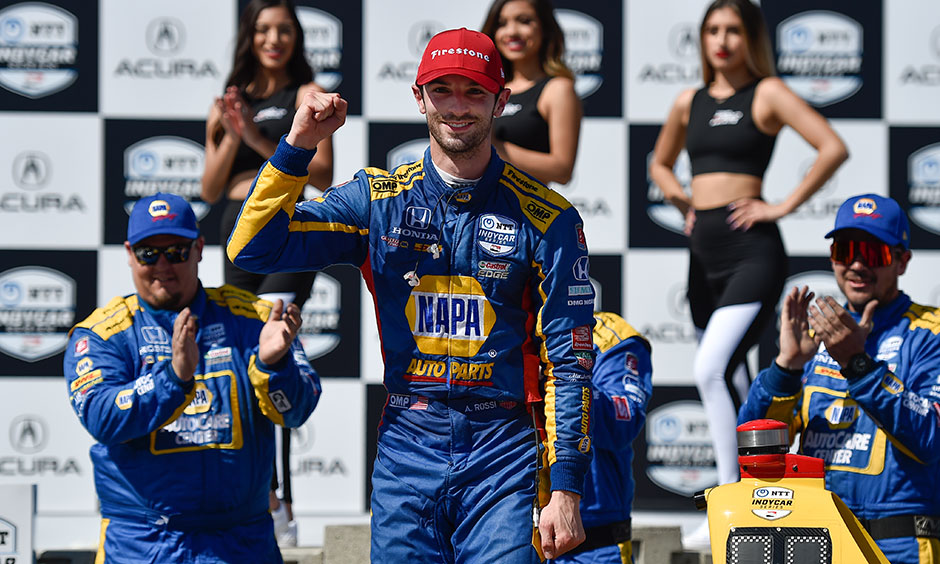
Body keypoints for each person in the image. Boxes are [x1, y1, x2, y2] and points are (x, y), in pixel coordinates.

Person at [227, 27, 596, 563]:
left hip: (503, 448)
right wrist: (298, 145)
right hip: (408, 442)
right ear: (419, 98)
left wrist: (565, 488)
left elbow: (571, 358)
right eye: (442, 90)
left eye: (474, 92)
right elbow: (252, 249)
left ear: (502, 100)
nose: (458, 107)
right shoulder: (377, 201)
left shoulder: (549, 219)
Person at [647, 0, 848, 545]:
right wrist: (678, 197)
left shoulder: (768, 92)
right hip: (702, 259)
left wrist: (780, 205)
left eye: (733, 30)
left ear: (750, 38)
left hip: (752, 253)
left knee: (710, 369)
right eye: (712, 29)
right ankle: (753, 502)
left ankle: (726, 501)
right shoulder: (687, 100)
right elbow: (658, 162)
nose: (722, 40)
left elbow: (832, 147)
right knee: (733, 378)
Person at [63, 193, 321, 564]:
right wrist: (173, 378)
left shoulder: (254, 319)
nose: (163, 265)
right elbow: (102, 418)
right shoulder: (103, 334)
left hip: (241, 541)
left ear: (199, 248)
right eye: (149, 254)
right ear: (129, 253)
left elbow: (296, 411)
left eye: (176, 251)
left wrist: (274, 365)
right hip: (143, 542)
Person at [739, 193, 940, 564]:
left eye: (874, 253)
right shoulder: (813, 337)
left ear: (902, 260)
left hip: (900, 543)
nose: (857, 264)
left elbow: (932, 437)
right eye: (846, 251)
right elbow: (754, 450)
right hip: (817, 541)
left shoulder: (930, 334)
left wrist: (857, 364)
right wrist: (787, 367)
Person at [200, 0, 333, 543]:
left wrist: (258, 138)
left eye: (283, 30)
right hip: (236, 232)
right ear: (248, 37)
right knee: (245, 357)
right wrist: (234, 127)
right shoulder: (226, 101)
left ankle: (285, 504)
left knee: (276, 351)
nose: (273, 39)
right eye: (263, 30)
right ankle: (261, 495)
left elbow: (322, 174)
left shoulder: (308, 95)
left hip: (287, 230)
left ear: (296, 37)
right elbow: (209, 189)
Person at [550, 311, 653, 564]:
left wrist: (569, 379)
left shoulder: (613, 337)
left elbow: (622, 425)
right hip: (510, 529)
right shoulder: (507, 329)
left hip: (593, 542)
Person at [481, 0, 582, 185]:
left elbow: (563, 170)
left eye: (524, 21)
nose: (511, 32)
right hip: (477, 208)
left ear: (545, 28)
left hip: (525, 210)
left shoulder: (558, 89)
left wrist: (494, 147)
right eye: (502, 24)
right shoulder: (488, 87)